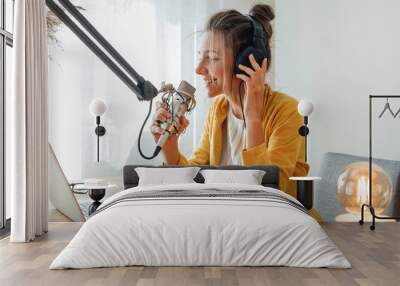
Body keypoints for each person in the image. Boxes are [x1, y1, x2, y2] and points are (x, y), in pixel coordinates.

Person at [151, 4, 321, 220]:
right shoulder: (219, 109)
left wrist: (253, 117)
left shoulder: (287, 111)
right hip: (235, 223)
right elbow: (195, 177)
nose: (199, 69)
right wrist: (169, 143)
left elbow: (272, 190)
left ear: (245, 62)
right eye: (200, 56)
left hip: (282, 227)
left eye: (212, 58)